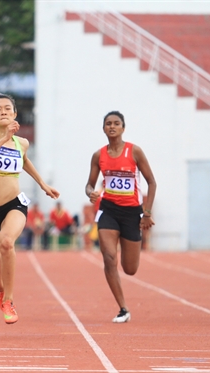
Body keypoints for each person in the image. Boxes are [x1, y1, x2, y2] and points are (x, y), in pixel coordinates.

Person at [0, 93, 60, 324]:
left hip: (14, 203)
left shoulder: (22, 143)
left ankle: (9, 300)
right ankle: (0, 290)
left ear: (15, 114)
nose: (3, 111)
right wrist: (3, 139)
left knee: (7, 242)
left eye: (8, 108)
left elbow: (25, 159)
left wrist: (42, 184)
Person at [85, 110, 156, 323]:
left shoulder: (135, 152)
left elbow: (152, 182)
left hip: (132, 212)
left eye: (116, 123)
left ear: (123, 128)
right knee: (108, 257)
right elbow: (89, 184)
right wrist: (91, 193)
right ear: (104, 128)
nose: (112, 127)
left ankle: (124, 301)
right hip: (108, 209)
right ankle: (123, 308)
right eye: (108, 123)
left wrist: (147, 212)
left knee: (130, 269)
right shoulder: (99, 155)